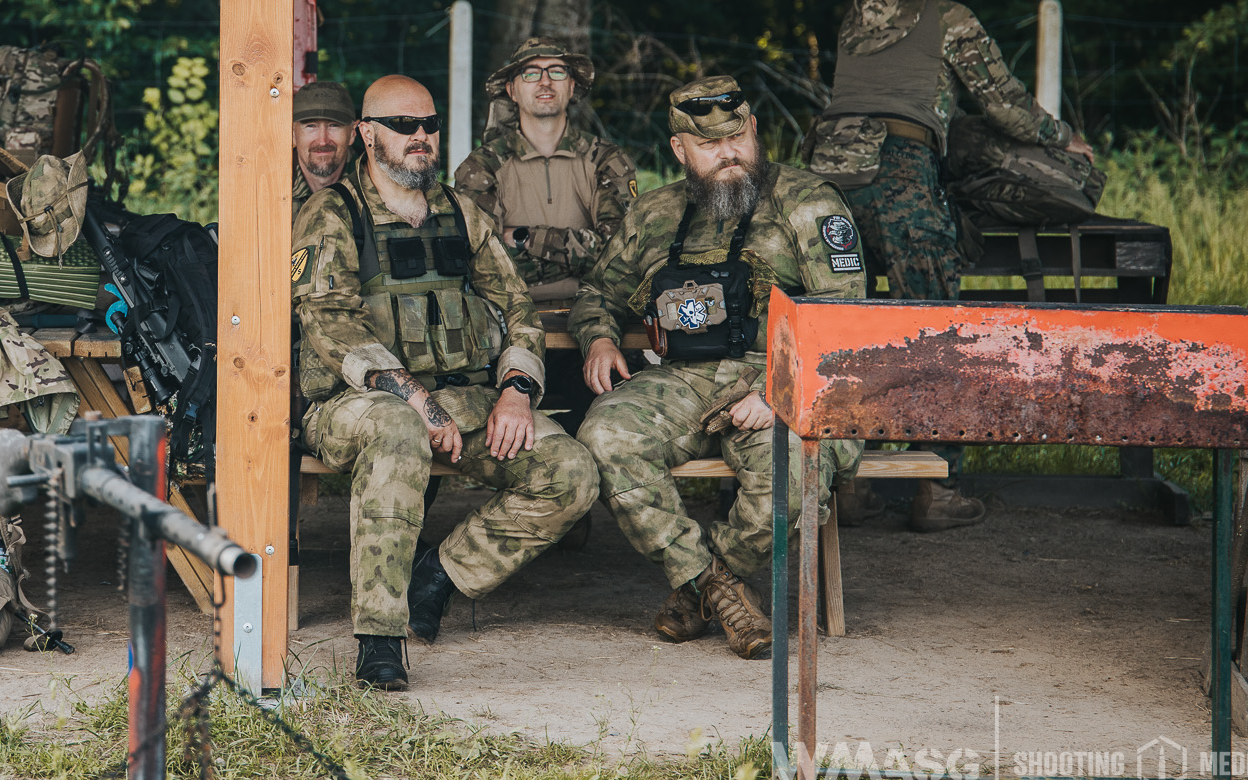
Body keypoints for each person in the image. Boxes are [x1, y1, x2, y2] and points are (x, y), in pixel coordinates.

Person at [293, 74, 599, 691]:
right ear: (367, 135)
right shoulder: (333, 214)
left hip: (464, 399)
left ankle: (440, 575)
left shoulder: (461, 213)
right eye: (403, 126)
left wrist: (517, 389)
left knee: (571, 473)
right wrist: (414, 397)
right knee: (397, 429)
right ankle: (380, 637)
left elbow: (517, 307)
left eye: (429, 125)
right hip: (356, 405)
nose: (420, 138)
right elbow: (329, 322)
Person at [804, 0, 1092, 532]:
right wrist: (1064, 140)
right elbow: (1005, 102)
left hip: (825, 183)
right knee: (933, 327)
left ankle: (848, 485)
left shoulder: (855, 20)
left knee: (844, 329)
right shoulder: (949, 17)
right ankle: (934, 485)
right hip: (900, 176)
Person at [572, 78, 864, 660]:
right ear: (680, 151)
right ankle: (719, 590)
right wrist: (600, 339)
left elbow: (846, 320)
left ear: (754, 128)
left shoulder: (809, 203)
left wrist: (779, 389)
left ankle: (699, 588)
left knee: (788, 476)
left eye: (738, 136)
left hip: (782, 379)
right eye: (710, 145)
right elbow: (598, 290)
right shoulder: (655, 212)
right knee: (603, 436)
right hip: (683, 379)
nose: (729, 153)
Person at [453, 38, 638, 305]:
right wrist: (578, 254)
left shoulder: (607, 159)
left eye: (557, 71)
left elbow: (620, 254)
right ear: (512, 90)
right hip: (509, 315)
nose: (545, 81)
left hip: (599, 310)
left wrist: (524, 237)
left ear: (571, 85)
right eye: (531, 73)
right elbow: (483, 263)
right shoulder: (483, 166)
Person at [292, 79, 355, 206]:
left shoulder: (374, 183)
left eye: (334, 125)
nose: (322, 141)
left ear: (352, 133)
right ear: (292, 133)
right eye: (311, 126)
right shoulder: (269, 185)